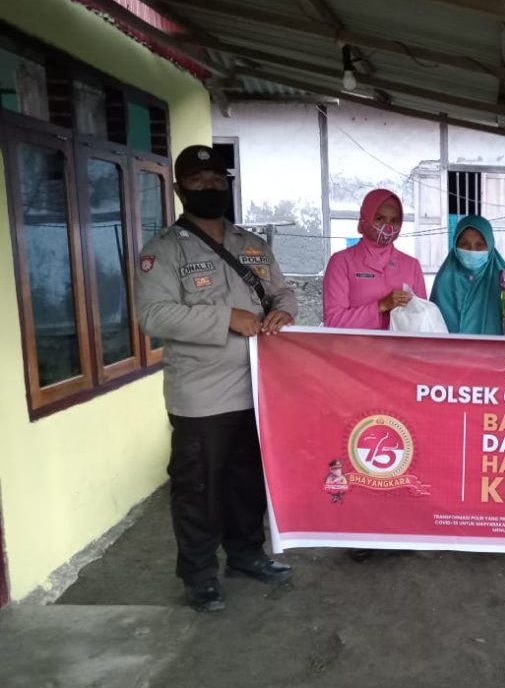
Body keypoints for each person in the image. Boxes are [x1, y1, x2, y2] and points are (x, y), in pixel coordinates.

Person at [135, 144, 297, 613]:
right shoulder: (163, 251)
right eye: (198, 179)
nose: (209, 185)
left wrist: (284, 314)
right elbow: (153, 314)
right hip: (201, 395)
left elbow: (283, 292)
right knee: (199, 488)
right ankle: (199, 573)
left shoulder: (252, 244)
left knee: (248, 481)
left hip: (258, 387)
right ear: (179, 187)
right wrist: (225, 318)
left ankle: (246, 555)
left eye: (216, 179)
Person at [323, 189, 426, 329]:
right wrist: (381, 306)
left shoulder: (411, 265)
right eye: (379, 219)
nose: (387, 227)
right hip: (356, 344)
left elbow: (422, 319)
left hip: (400, 344)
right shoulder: (341, 262)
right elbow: (333, 321)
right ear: (365, 218)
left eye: (394, 220)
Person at [430, 215, 505, 335]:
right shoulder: (444, 281)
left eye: (480, 245)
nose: (472, 250)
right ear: (455, 246)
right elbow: (431, 326)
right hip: (449, 347)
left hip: (494, 347)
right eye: (464, 244)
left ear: (490, 245)